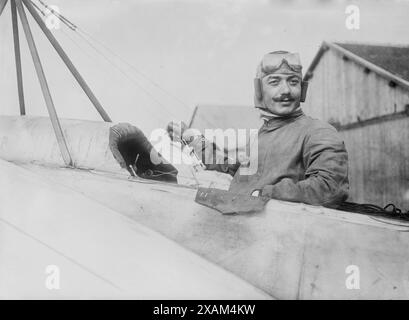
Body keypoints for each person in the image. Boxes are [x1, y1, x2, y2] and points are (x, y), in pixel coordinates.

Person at [185, 51, 349, 207]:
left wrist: (265, 193)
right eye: (274, 82)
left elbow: (330, 187)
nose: (285, 90)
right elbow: (236, 170)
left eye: (293, 82)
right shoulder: (261, 135)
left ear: (303, 89)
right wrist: (195, 142)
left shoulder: (318, 132)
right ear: (259, 90)